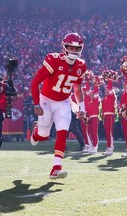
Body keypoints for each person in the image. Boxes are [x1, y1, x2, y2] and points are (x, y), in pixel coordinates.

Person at [30, 32, 86, 179]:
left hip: (64, 102)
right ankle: (36, 132)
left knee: (62, 132)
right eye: (70, 47)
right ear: (64, 47)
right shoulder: (54, 60)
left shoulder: (81, 65)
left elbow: (77, 88)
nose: (74, 51)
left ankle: (56, 167)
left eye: (76, 48)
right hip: (46, 100)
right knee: (43, 136)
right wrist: (36, 104)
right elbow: (35, 82)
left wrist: (82, 108)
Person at [101, 79, 117, 156]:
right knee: (107, 132)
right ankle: (109, 147)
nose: (106, 91)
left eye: (107, 90)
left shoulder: (112, 96)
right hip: (105, 116)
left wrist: (110, 80)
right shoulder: (105, 97)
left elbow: (111, 89)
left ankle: (110, 148)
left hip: (110, 116)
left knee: (109, 132)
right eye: (105, 90)